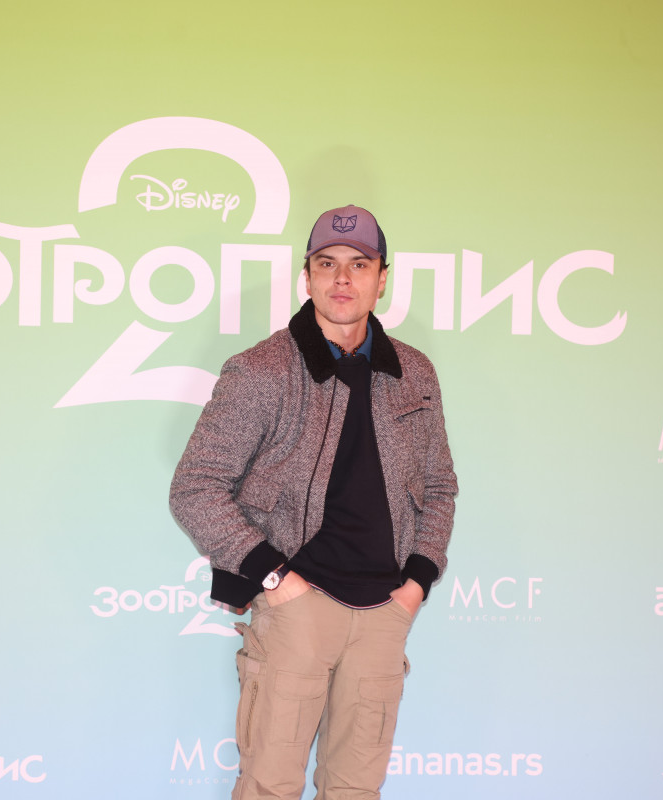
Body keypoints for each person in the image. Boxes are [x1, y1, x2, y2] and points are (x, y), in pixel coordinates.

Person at [169, 204, 458, 799]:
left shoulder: (414, 372)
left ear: (382, 279)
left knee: (356, 790)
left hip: (385, 612)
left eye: (359, 264)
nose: (342, 278)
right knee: (270, 787)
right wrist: (276, 579)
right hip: (298, 609)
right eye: (327, 264)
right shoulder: (261, 370)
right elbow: (195, 486)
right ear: (307, 277)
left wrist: (417, 583)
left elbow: (438, 486)